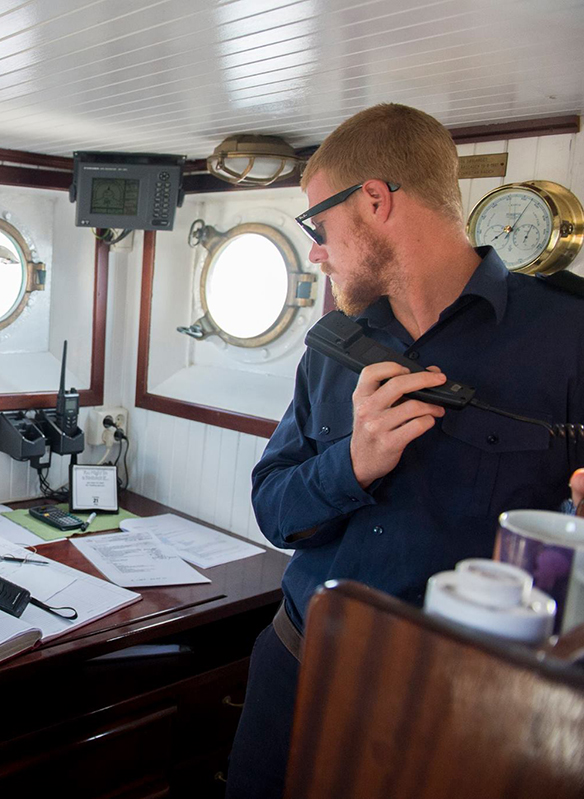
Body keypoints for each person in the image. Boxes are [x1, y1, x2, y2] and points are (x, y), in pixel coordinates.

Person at [224, 103, 584, 798]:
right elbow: (273, 509)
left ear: (375, 200)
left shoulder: (568, 338)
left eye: (318, 226)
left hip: (461, 707)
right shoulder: (331, 350)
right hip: (297, 667)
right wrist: (350, 463)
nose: (316, 251)